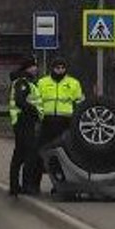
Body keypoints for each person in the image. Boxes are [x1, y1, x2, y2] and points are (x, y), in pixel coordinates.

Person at [26, 56, 85, 193]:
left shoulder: (73, 83)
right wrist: (37, 117)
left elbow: (79, 102)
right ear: (52, 68)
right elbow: (34, 101)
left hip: (65, 123)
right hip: (46, 121)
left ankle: (59, 185)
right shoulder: (42, 82)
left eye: (62, 67)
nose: (60, 70)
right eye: (57, 67)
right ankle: (34, 185)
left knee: (63, 156)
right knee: (39, 153)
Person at [7, 57, 41, 196]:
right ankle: (27, 186)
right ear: (28, 68)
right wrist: (34, 111)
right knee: (29, 154)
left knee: (19, 155)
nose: (36, 69)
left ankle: (15, 187)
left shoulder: (25, 82)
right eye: (33, 66)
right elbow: (20, 101)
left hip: (22, 122)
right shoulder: (22, 82)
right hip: (24, 121)